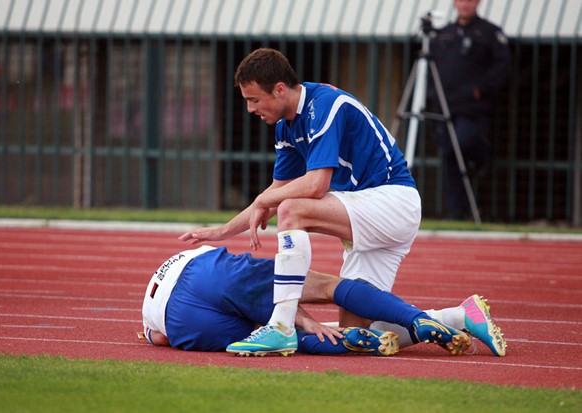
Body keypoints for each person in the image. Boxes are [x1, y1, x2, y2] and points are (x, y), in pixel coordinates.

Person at [179, 48, 422, 355]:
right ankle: (458, 319)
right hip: (368, 216)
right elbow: (276, 190)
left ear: (279, 89)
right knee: (354, 335)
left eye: (254, 99)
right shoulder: (286, 125)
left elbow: (316, 184)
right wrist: (221, 232)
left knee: (292, 209)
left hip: (394, 201)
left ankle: (281, 326)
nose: (250, 108)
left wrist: (264, 200)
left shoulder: (325, 105)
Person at [140, 246, 507, 357]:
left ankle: (351, 341)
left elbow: (159, 339)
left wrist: (301, 321)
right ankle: (439, 316)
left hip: (178, 323)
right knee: (331, 286)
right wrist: (297, 313)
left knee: (281, 338)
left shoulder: (151, 330)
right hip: (199, 269)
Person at [428, 0, 510, 220]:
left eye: (470, 0)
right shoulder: (445, 34)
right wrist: (431, 94)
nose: (465, 4)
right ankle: (456, 210)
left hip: (472, 108)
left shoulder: (489, 32)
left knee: (465, 142)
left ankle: (482, 158)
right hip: (446, 106)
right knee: (449, 155)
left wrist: (482, 89)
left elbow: (503, 65)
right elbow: (432, 67)